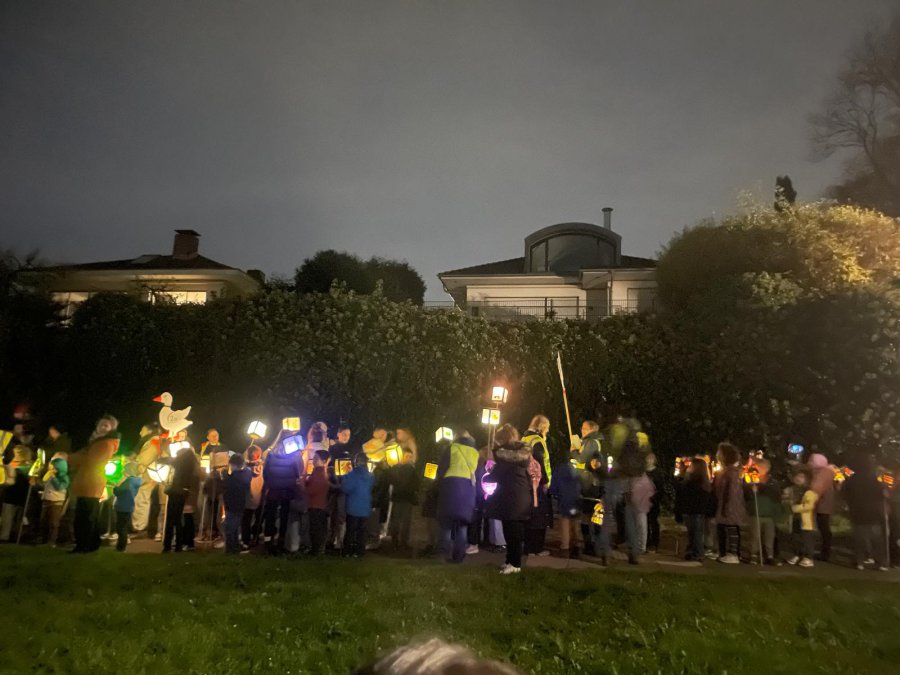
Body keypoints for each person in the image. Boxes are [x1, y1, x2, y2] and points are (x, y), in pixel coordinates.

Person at [484, 425, 531, 574]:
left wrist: (488, 473)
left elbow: (496, 475)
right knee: (511, 532)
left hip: (513, 498)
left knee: (512, 533)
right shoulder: (520, 454)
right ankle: (510, 561)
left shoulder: (504, 456)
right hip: (519, 496)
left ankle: (515, 564)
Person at [70, 415, 120, 553]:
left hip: (91, 483)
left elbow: (92, 461)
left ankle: (83, 546)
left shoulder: (105, 443)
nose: (102, 427)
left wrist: (69, 458)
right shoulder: (97, 442)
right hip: (88, 482)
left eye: (106, 425)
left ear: (112, 428)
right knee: (89, 516)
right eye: (101, 424)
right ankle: (91, 544)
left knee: (85, 517)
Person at [436, 431, 479, 564]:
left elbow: (442, 469)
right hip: (469, 488)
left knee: (446, 524)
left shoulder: (451, 448)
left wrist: (437, 484)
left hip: (451, 486)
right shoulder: (475, 452)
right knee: (462, 524)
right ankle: (459, 557)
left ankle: (443, 554)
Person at [843, 453, 888, 571]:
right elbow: (882, 494)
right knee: (876, 538)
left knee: (859, 538)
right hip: (874, 512)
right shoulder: (874, 480)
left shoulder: (852, 479)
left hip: (858, 511)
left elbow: (845, 493)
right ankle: (881, 562)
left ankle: (859, 561)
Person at [262, 433, 302, 555]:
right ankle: (281, 541)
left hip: (273, 489)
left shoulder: (271, 453)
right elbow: (299, 471)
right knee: (284, 516)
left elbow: (265, 472)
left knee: (270, 515)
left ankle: (268, 542)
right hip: (287, 489)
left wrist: (270, 482)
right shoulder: (294, 454)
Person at [570, 420, 604, 555]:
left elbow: (581, 460)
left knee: (590, 516)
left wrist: (573, 451)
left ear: (592, 430)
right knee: (589, 516)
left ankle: (592, 545)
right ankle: (591, 544)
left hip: (590, 485)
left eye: (585, 428)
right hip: (588, 483)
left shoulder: (591, 442)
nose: (582, 431)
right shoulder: (589, 442)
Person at [160, 441, 200, 553]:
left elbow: (165, 461)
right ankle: (178, 545)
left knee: (171, 520)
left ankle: (167, 545)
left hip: (175, 492)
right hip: (183, 493)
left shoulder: (178, 464)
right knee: (178, 520)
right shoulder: (192, 466)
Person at [522, 415, 553, 557]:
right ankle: (536, 549)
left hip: (526, 482)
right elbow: (540, 463)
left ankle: (527, 547)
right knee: (539, 517)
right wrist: (545, 482)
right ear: (542, 427)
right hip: (538, 484)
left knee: (529, 516)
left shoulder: (525, 439)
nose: (548, 430)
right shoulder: (538, 441)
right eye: (547, 427)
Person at [620, 441, 655, 564]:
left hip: (636, 494)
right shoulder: (638, 462)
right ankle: (637, 545)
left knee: (638, 521)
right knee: (638, 521)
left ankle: (639, 546)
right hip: (638, 493)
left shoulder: (632, 464)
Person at [675, 457, 714, 561]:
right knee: (693, 532)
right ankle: (693, 551)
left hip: (694, 510)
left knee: (696, 532)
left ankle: (697, 552)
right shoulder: (702, 482)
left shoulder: (695, 482)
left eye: (691, 465)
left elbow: (685, 493)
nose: (689, 467)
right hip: (694, 510)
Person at [713, 442, 745, 564]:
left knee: (731, 528)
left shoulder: (731, 473)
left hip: (730, 506)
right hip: (725, 505)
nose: (717, 455)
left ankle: (733, 553)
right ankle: (724, 553)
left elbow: (731, 491)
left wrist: (728, 507)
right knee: (723, 528)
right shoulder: (726, 472)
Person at [746, 458, 781, 565]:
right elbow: (747, 495)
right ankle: (753, 554)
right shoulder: (752, 480)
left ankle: (769, 555)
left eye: (760, 467)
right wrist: (751, 490)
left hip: (768, 513)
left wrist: (760, 487)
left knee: (769, 536)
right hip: (756, 512)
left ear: (766, 468)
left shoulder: (772, 482)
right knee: (754, 535)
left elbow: (775, 494)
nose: (758, 469)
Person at [326, 425, 354, 551]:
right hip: (332, 486)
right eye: (344, 434)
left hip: (344, 487)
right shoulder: (331, 449)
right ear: (338, 434)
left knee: (341, 514)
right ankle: (330, 539)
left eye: (348, 435)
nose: (346, 437)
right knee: (331, 513)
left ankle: (339, 541)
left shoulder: (351, 450)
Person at [342, 453, 375, 558]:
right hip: (365, 507)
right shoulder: (370, 476)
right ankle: (360, 551)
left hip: (353, 506)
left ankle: (347, 551)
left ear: (356, 461)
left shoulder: (352, 475)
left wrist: (344, 478)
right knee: (362, 531)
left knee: (351, 530)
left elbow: (346, 488)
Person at [199, 428, 229, 542]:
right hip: (208, 481)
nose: (215, 437)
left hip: (219, 482)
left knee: (219, 508)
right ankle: (207, 530)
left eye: (216, 435)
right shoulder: (203, 448)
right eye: (212, 435)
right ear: (208, 437)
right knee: (208, 507)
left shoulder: (223, 447)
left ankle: (217, 531)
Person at [131, 423, 161, 535]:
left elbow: (144, 460)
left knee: (141, 499)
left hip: (148, 475)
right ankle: (141, 526)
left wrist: (137, 468)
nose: (140, 433)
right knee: (144, 499)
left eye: (142, 430)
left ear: (149, 431)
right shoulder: (155, 440)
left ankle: (139, 527)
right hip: (153, 474)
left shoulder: (152, 441)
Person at [787, 466, 818, 568]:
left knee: (806, 540)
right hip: (796, 519)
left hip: (806, 521)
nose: (798, 478)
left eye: (801, 477)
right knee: (796, 538)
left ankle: (808, 557)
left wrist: (795, 508)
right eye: (797, 476)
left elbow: (809, 506)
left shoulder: (809, 492)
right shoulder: (794, 490)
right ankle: (797, 555)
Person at [550, 457, 582, 558]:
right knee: (575, 523)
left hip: (565, 499)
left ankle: (565, 548)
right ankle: (577, 546)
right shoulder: (575, 469)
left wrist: (554, 494)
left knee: (565, 522)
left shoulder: (557, 470)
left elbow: (553, 487)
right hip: (576, 499)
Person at [388, 447, 419, 551]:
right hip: (404, 498)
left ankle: (397, 542)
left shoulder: (397, 468)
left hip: (400, 497)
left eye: (410, 456)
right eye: (407, 456)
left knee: (400, 521)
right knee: (402, 521)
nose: (409, 458)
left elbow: (391, 480)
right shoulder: (409, 469)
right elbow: (416, 484)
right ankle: (401, 542)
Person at [1, 445, 33, 541]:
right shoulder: (23, 467)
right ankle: (7, 536)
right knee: (9, 518)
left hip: (17, 496)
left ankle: (12, 536)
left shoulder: (25, 468)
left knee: (13, 518)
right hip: (13, 496)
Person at [808, 451, 836, 562]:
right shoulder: (827, 471)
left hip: (822, 503)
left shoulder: (823, 473)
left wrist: (810, 496)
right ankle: (825, 551)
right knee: (824, 528)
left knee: (823, 528)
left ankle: (825, 553)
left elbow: (816, 487)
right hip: (825, 502)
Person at [223, 454, 252, 554]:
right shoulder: (247, 474)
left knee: (230, 528)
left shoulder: (231, 477)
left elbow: (226, 481)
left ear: (233, 464)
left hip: (231, 504)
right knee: (235, 527)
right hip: (241, 504)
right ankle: (235, 546)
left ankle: (230, 548)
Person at [40, 448, 69, 546]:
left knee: (53, 523)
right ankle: (43, 539)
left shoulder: (63, 477)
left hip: (56, 502)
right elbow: (44, 483)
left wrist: (53, 477)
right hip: (46, 500)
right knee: (44, 521)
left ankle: (52, 541)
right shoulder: (49, 475)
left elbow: (59, 487)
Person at [112, 459, 142, 552]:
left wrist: (115, 488)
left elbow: (120, 491)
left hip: (122, 506)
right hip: (129, 506)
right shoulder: (136, 481)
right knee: (123, 527)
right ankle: (121, 546)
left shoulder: (129, 481)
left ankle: (121, 547)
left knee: (121, 528)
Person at [305, 451, 331, 555]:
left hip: (316, 505)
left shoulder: (319, 473)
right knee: (318, 528)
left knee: (316, 529)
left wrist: (301, 485)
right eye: (314, 458)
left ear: (323, 461)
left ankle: (316, 550)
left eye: (316, 458)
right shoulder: (320, 472)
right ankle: (317, 549)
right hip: (319, 505)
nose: (314, 461)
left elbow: (312, 490)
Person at [242, 445, 264, 549]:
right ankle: (256, 538)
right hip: (259, 496)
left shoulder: (245, 468)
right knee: (258, 519)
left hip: (247, 497)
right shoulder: (263, 467)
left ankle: (246, 541)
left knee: (246, 520)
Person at [645, 453, 664, 553]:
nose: (649, 460)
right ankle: (646, 540)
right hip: (644, 500)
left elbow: (660, 488)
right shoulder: (644, 472)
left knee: (653, 521)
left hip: (653, 501)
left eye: (651, 459)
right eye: (648, 459)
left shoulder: (657, 473)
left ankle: (654, 542)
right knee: (645, 522)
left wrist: (654, 498)